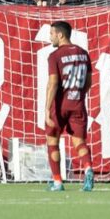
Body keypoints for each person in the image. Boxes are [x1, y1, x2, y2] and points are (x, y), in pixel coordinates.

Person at [44, 20, 95, 191]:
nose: (50, 37)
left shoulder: (55, 56)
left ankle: (57, 182)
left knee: (52, 141)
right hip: (78, 103)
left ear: (60, 35)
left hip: (59, 105)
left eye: (52, 34)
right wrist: (78, 96)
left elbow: (53, 83)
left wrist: (47, 109)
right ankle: (88, 168)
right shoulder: (83, 53)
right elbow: (89, 82)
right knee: (79, 141)